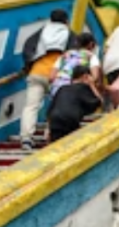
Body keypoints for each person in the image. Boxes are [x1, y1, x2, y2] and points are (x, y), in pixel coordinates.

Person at [20, 9, 77, 151]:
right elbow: (74, 54)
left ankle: (26, 138)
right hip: (58, 75)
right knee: (56, 106)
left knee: (31, 106)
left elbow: (28, 49)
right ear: (66, 21)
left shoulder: (41, 32)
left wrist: (28, 66)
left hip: (37, 72)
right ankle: (49, 135)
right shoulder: (69, 34)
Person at [47, 65, 102, 144]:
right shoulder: (82, 88)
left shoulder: (63, 88)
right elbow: (98, 102)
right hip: (70, 119)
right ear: (85, 77)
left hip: (55, 120)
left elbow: (51, 109)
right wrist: (92, 85)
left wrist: (48, 129)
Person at [50, 33, 102, 97]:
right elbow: (95, 77)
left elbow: (52, 77)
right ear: (91, 44)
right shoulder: (91, 57)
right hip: (76, 92)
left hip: (57, 91)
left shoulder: (64, 55)